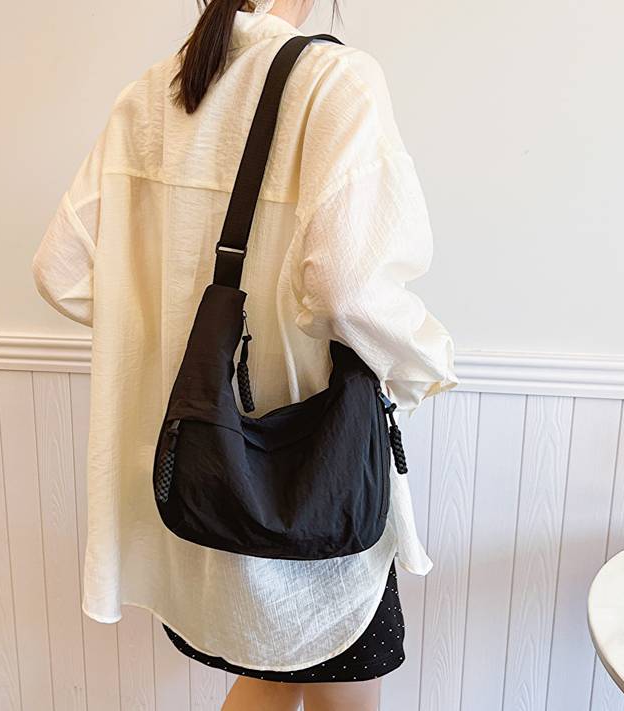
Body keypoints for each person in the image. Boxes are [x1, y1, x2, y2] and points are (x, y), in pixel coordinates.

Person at [32, 0, 458, 709]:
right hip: (313, 473)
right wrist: (429, 362)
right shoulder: (334, 84)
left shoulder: (155, 95)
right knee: (331, 677)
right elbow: (347, 286)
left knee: (268, 673)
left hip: (200, 474)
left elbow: (62, 271)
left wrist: (171, 339)